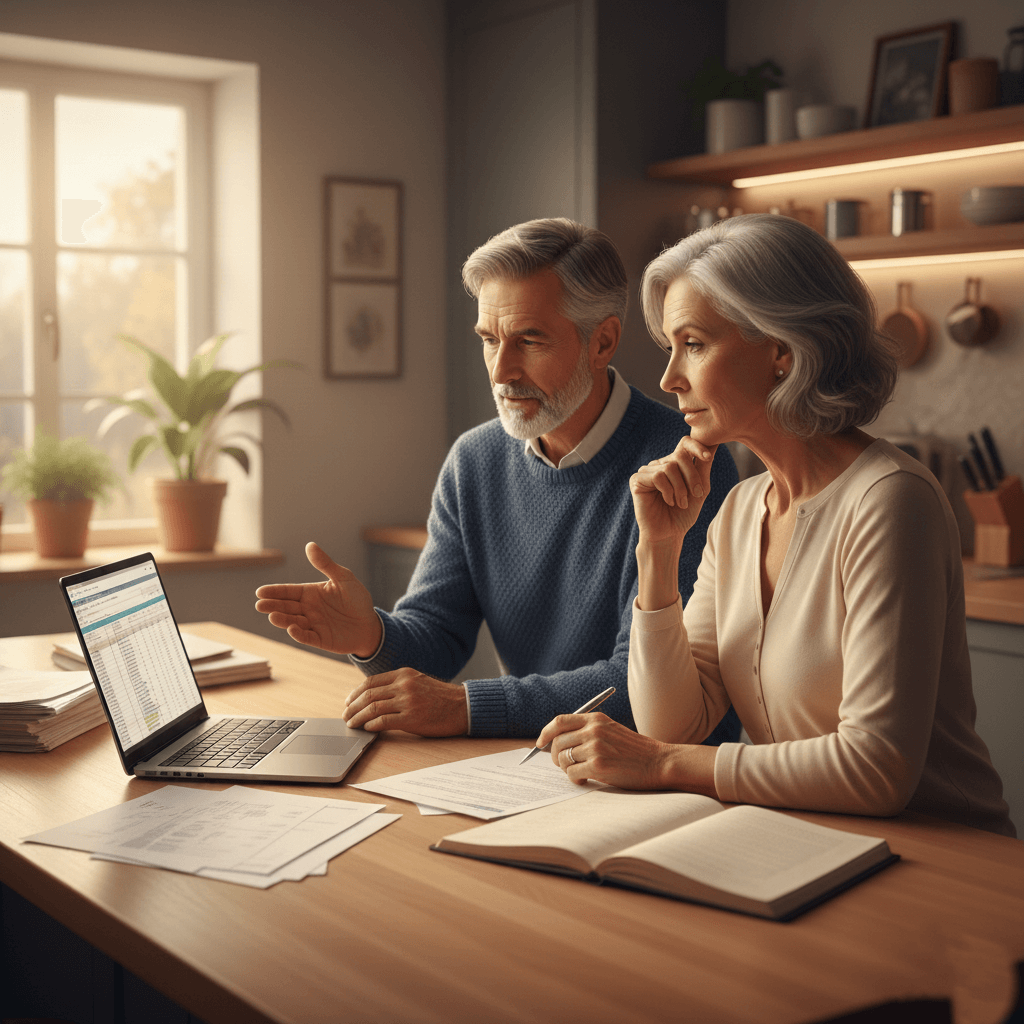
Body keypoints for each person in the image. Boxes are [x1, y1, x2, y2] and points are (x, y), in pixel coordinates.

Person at [536, 213, 1014, 837]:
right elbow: (671, 725)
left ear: (782, 352)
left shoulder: (890, 501)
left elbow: (877, 768)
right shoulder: (738, 511)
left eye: (695, 344)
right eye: (670, 348)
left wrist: (661, 765)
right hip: (805, 845)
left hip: (945, 863)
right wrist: (657, 550)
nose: (668, 377)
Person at [255, 217, 740, 741]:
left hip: (664, 781)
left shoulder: (687, 463)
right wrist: (372, 635)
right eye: (489, 339)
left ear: (602, 342)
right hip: (534, 764)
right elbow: (436, 638)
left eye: (529, 341)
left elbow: (645, 685)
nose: (501, 370)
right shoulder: (474, 461)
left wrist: (468, 707)